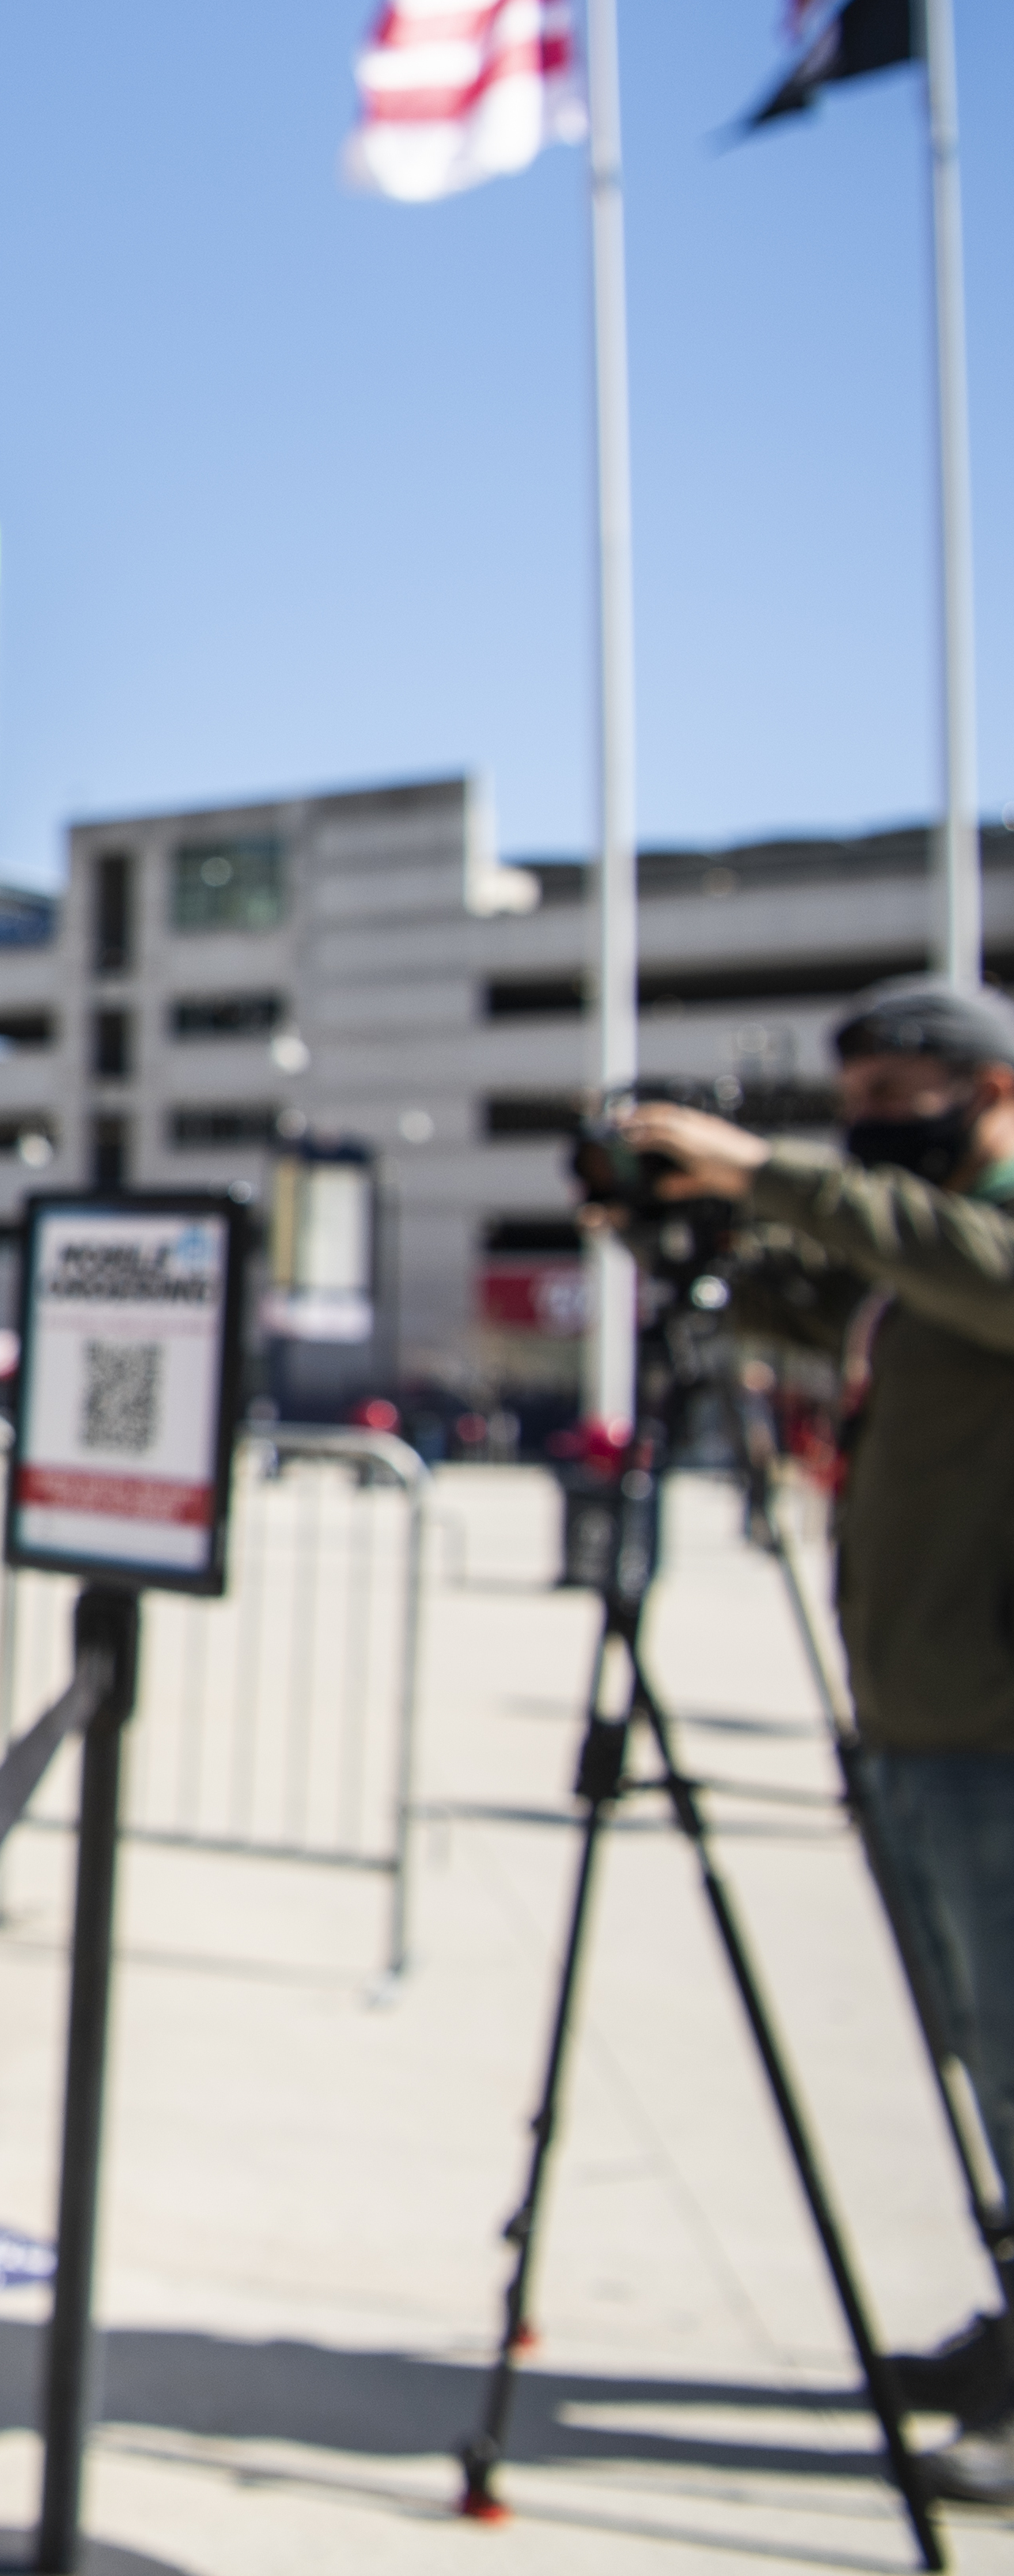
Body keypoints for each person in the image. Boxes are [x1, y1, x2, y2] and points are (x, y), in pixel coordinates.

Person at [615, 981, 1014, 2501]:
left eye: (896, 1089)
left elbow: (957, 1265)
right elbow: (819, 1299)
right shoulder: (898, 1258)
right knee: (976, 2047)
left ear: (981, 1089)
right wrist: (679, 1229)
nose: (866, 1118)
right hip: (916, 1708)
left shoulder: (972, 1234)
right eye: (849, 1095)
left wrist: (765, 1172)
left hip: (988, 1716)